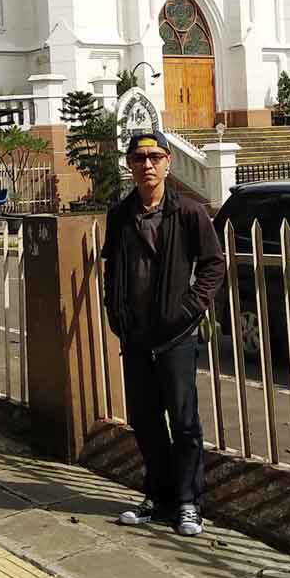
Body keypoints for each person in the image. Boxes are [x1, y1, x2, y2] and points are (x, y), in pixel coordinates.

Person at [102, 131, 226, 538]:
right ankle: (159, 497)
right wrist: (114, 311)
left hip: (176, 335)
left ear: (168, 161)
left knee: (184, 420)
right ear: (130, 164)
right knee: (145, 419)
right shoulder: (120, 216)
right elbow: (112, 269)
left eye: (155, 156)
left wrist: (189, 308)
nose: (147, 165)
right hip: (136, 337)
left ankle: (189, 502)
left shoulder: (188, 213)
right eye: (139, 158)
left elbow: (213, 266)